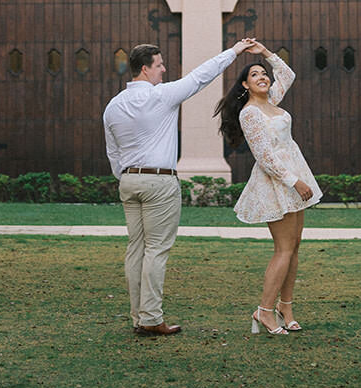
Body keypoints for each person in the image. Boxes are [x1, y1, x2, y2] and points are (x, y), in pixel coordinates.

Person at [103, 37, 256, 337]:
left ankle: (139, 317)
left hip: (129, 180)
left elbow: (113, 152)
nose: (164, 70)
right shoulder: (161, 95)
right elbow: (202, 76)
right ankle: (150, 318)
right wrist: (235, 51)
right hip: (158, 181)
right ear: (145, 69)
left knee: (136, 249)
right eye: (159, 65)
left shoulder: (113, 106)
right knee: (156, 250)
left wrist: (125, 178)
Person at [215, 46, 322, 334]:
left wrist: (265, 53)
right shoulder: (250, 113)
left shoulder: (271, 101)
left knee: (295, 247)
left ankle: (285, 306)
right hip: (278, 183)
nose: (262, 77)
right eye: (255, 74)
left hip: (295, 177)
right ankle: (264, 311)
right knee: (283, 249)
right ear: (245, 85)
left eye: (264, 73)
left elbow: (287, 74)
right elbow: (265, 157)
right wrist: (294, 181)